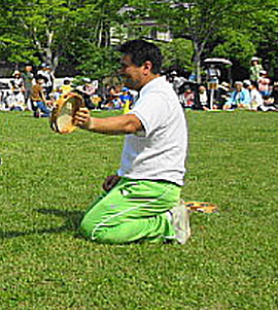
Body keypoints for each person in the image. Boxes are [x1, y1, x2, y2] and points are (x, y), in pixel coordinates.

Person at [73, 39, 191, 245]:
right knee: (92, 216)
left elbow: (131, 124)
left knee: (94, 228)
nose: (121, 71)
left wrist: (91, 123)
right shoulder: (150, 94)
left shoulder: (158, 96)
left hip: (155, 185)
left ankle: (167, 223)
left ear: (146, 67)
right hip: (141, 181)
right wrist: (122, 176)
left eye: (125, 65)